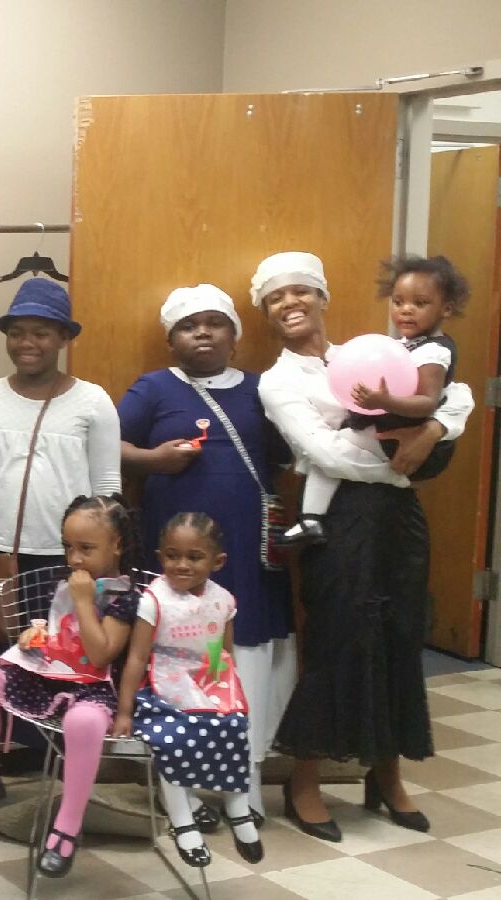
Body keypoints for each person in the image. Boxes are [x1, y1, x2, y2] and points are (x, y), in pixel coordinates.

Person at [252, 250, 474, 841]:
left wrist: (432, 429)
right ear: (266, 311)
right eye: (276, 296)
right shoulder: (278, 381)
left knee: (400, 636)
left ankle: (386, 776)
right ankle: (304, 782)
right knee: (338, 640)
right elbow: (324, 454)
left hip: (399, 521)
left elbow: (459, 395)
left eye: (301, 290)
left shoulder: (375, 351)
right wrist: (403, 463)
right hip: (339, 520)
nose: (291, 302)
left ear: (322, 296)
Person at [116, 284, 293, 819]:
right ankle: (180, 785)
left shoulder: (262, 389)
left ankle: (246, 779)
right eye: (188, 325)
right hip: (175, 559)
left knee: (243, 657)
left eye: (215, 323)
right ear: (171, 340)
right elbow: (105, 444)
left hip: (245, 550)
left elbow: (290, 453)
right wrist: (152, 460)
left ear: (234, 336)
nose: (202, 333)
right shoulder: (153, 388)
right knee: (178, 657)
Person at [0, 280, 121, 786]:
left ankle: (58, 785)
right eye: (17, 332)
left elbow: (107, 491)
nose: (27, 343)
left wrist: (104, 574)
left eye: (40, 332)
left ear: (63, 337)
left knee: (58, 670)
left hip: (64, 564)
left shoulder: (93, 403)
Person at [0, 496, 141, 879]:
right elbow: (59, 633)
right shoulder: (66, 583)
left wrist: (84, 601)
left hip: (97, 688)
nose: (74, 559)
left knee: (82, 723)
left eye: (86, 548)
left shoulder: (124, 598)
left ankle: (66, 829)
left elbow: (100, 653)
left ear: (117, 545)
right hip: (50, 676)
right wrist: (34, 636)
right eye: (68, 547)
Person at [281, 254, 470, 545]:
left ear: (446, 308)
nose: (406, 310)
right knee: (324, 455)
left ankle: (310, 519)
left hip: (395, 438)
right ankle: (311, 519)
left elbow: (430, 401)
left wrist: (386, 402)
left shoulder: (433, 352)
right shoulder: (402, 347)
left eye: (420, 303)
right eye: (398, 302)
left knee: (326, 454)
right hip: (390, 441)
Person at [112, 513, 263, 869]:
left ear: (217, 561)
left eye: (194, 557)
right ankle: (182, 819)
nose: (181, 564)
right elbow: (137, 657)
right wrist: (125, 710)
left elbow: (224, 652)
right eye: (172, 555)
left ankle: (237, 807)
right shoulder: (154, 599)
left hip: (208, 681)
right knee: (173, 739)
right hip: (163, 684)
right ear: (160, 556)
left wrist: (226, 693)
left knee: (234, 726)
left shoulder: (224, 600)